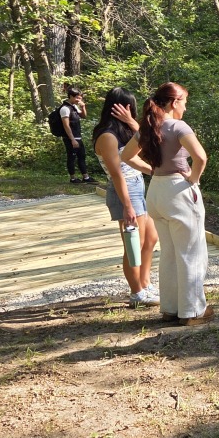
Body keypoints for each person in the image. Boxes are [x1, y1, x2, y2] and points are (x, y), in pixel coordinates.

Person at [121, 82, 213, 326]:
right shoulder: (178, 126)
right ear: (174, 102)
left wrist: (152, 170)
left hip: (156, 192)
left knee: (170, 253)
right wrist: (193, 179)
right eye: (184, 102)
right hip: (179, 191)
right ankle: (192, 311)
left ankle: (171, 308)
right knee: (191, 252)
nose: (185, 107)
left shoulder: (149, 127)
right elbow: (201, 156)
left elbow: (125, 156)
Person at [92, 88, 160, 308]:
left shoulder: (124, 132)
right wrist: (128, 206)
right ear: (122, 107)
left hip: (137, 186)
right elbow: (117, 173)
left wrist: (132, 122)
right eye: (131, 106)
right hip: (125, 191)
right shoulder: (107, 136)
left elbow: (147, 144)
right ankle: (136, 292)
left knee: (150, 239)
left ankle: (145, 282)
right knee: (134, 244)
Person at [59, 87, 98, 185]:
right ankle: (73, 178)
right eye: (77, 98)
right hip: (70, 138)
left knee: (82, 156)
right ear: (71, 96)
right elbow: (66, 125)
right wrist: (72, 139)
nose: (79, 100)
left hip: (78, 137)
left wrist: (83, 107)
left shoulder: (74, 107)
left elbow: (84, 116)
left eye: (80, 98)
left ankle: (86, 177)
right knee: (71, 157)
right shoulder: (64, 109)